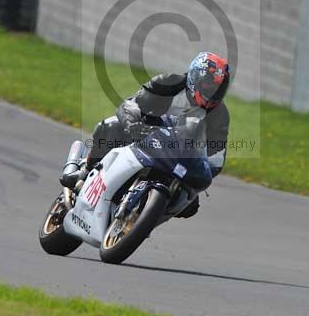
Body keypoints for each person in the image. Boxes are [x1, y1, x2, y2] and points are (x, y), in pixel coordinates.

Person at [62, 52, 231, 219]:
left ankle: (142, 217)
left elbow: (217, 156)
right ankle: (85, 172)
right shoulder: (169, 82)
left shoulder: (220, 114)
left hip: (176, 155)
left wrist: (203, 168)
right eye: (209, 85)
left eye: (218, 87)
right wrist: (132, 125)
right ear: (195, 78)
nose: (213, 91)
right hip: (142, 135)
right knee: (111, 126)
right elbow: (131, 104)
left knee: (190, 204)